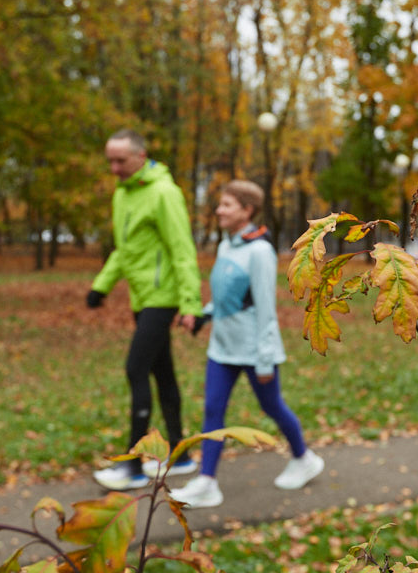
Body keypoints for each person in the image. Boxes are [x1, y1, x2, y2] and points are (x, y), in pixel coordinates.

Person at [170, 179, 324, 508]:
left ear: (246, 210)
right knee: (213, 410)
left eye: (226, 205)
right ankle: (207, 483)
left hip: (255, 351)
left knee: (272, 407)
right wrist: (201, 316)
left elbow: (266, 310)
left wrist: (266, 359)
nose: (218, 210)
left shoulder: (260, 251)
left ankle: (304, 458)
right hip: (222, 348)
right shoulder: (228, 246)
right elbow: (229, 300)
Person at [88, 130, 202, 490]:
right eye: (110, 160)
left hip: (162, 296)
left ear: (141, 156)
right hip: (141, 297)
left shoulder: (164, 192)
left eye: (120, 160)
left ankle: (133, 465)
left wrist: (190, 304)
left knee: (135, 369)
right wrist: (101, 285)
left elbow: (182, 249)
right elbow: (124, 250)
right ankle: (181, 455)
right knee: (162, 373)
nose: (114, 168)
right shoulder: (123, 194)